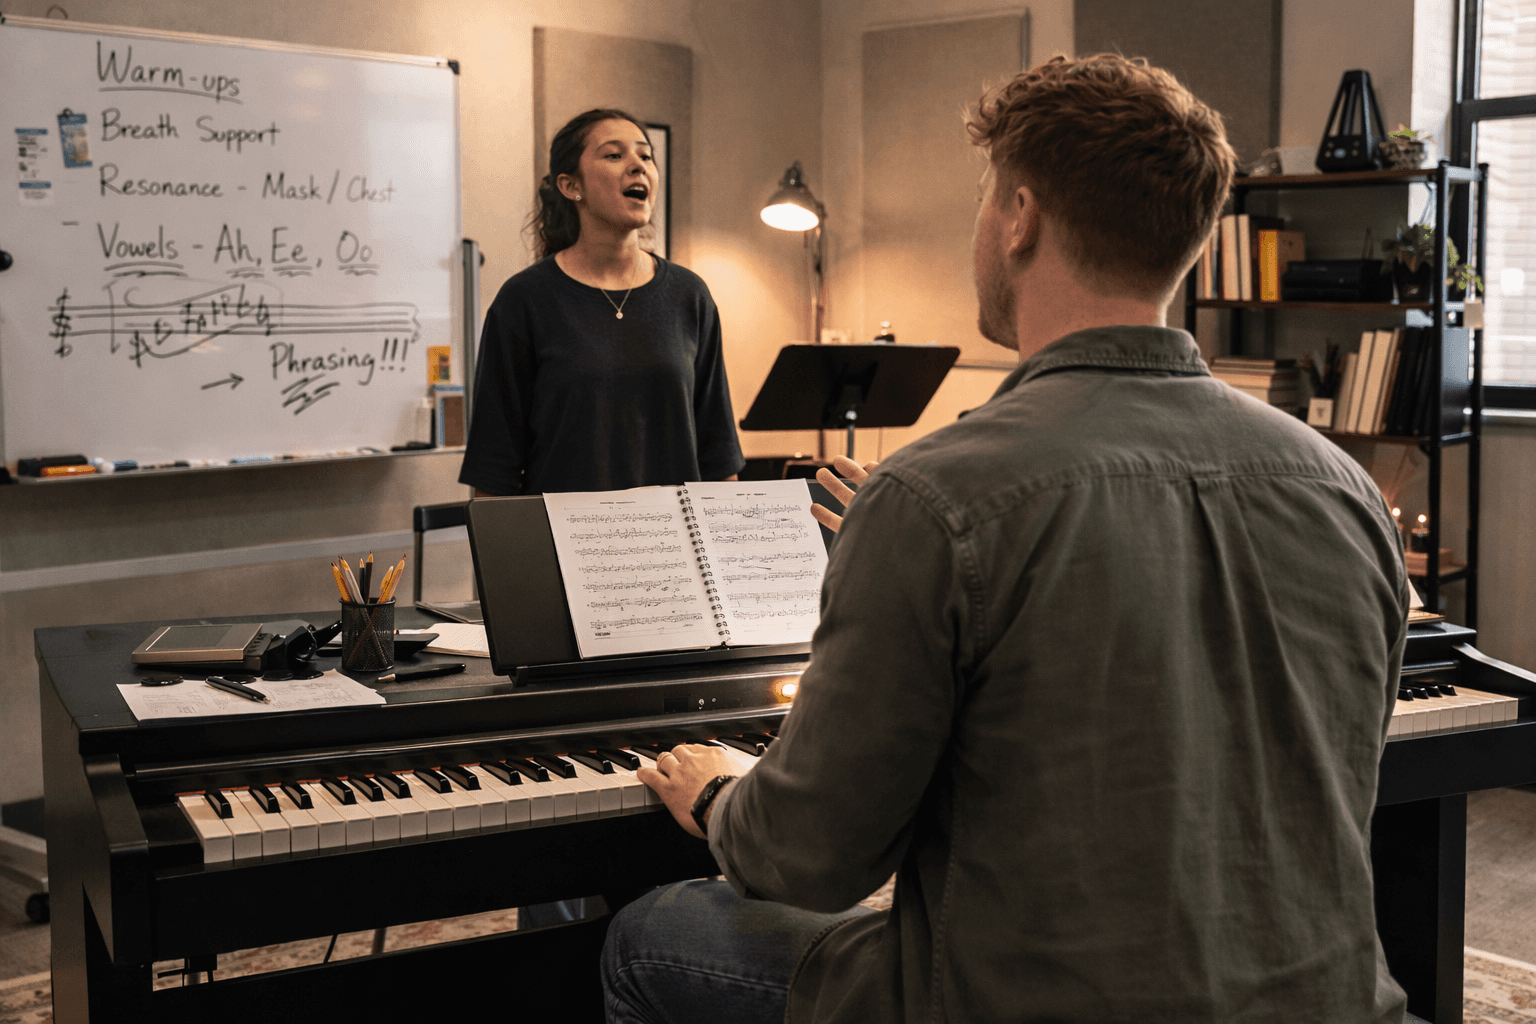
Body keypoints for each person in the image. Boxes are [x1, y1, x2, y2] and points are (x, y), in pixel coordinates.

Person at [604, 55, 1410, 1024]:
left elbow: (811, 858)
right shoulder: (1340, 485)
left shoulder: (935, 493)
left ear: (1020, 215)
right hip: (1322, 1002)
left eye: (987, 200)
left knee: (654, 932)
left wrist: (721, 795)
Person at [458, 108, 743, 496]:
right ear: (571, 185)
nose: (638, 167)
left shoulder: (689, 295)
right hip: (563, 548)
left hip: (675, 547)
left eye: (646, 156)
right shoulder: (524, 301)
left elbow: (718, 454)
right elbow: (494, 467)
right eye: (614, 155)